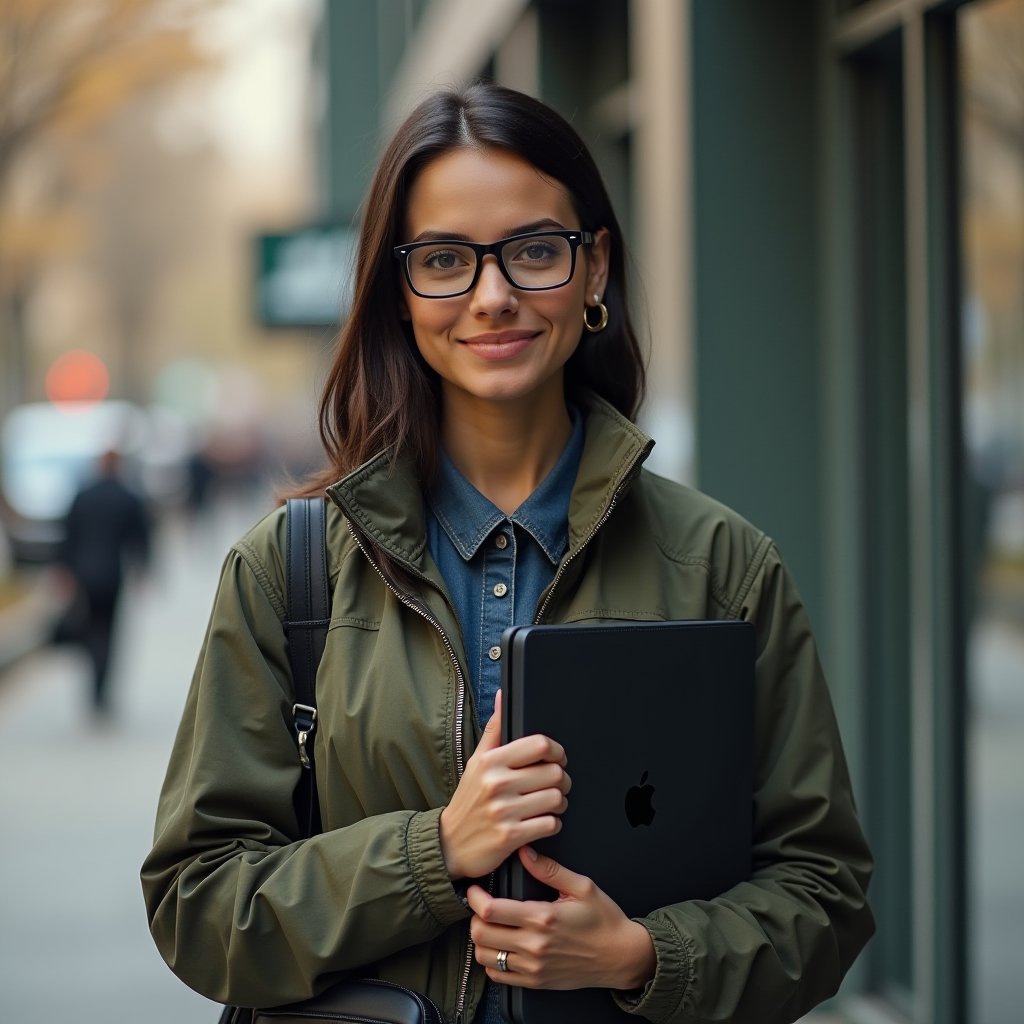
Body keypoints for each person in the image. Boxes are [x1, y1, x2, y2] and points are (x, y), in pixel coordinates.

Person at [142, 85, 874, 1024]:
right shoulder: (290, 572)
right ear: (398, 292)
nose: (493, 298)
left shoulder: (723, 566)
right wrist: (434, 852)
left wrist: (646, 956)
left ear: (595, 266)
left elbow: (825, 895)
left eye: (534, 251)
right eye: (445, 260)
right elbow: (198, 905)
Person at [61, 449, 149, 714]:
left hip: (84, 575)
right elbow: (141, 538)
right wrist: (143, 571)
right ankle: (102, 687)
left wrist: (63, 571)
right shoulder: (128, 496)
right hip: (113, 575)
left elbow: (68, 536)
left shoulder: (83, 495)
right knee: (109, 632)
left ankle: (94, 684)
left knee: (90, 629)